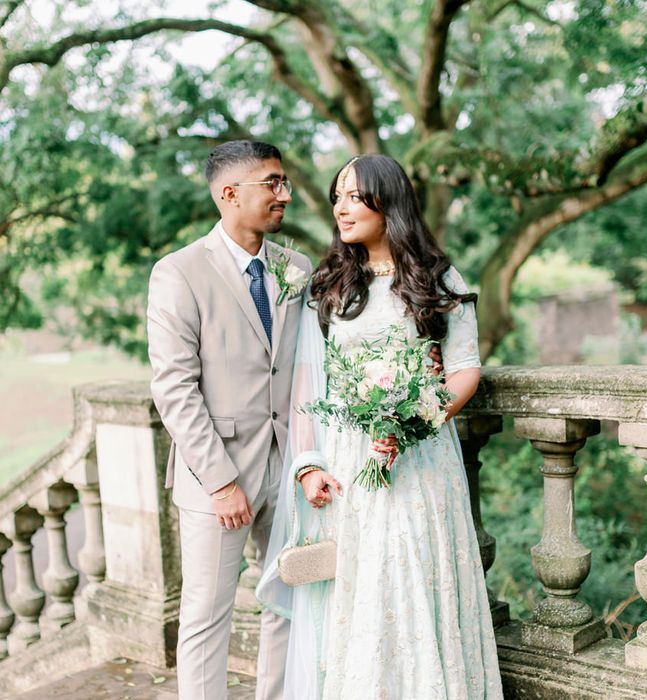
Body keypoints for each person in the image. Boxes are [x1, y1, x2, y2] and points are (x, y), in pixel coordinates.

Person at [257, 154, 503, 699]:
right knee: (362, 587)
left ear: (386, 200)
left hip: (420, 460)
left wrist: (415, 421)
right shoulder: (331, 283)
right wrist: (307, 466)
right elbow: (306, 386)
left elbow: (464, 368)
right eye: (337, 197)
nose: (341, 208)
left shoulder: (437, 278)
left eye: (353, 196)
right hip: (348, 458)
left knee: (416, 577)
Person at [147, 140, 312, 700]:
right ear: (229, 193)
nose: (284, 194)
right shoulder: (179, 273)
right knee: (206, 613)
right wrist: (220, 481)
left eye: (284, 182)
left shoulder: (297, 269)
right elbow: (174, 387)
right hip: (216, 475)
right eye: (273, 183)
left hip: (288, 466)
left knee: (288, 601)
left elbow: (306, 369)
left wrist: (308, 459)